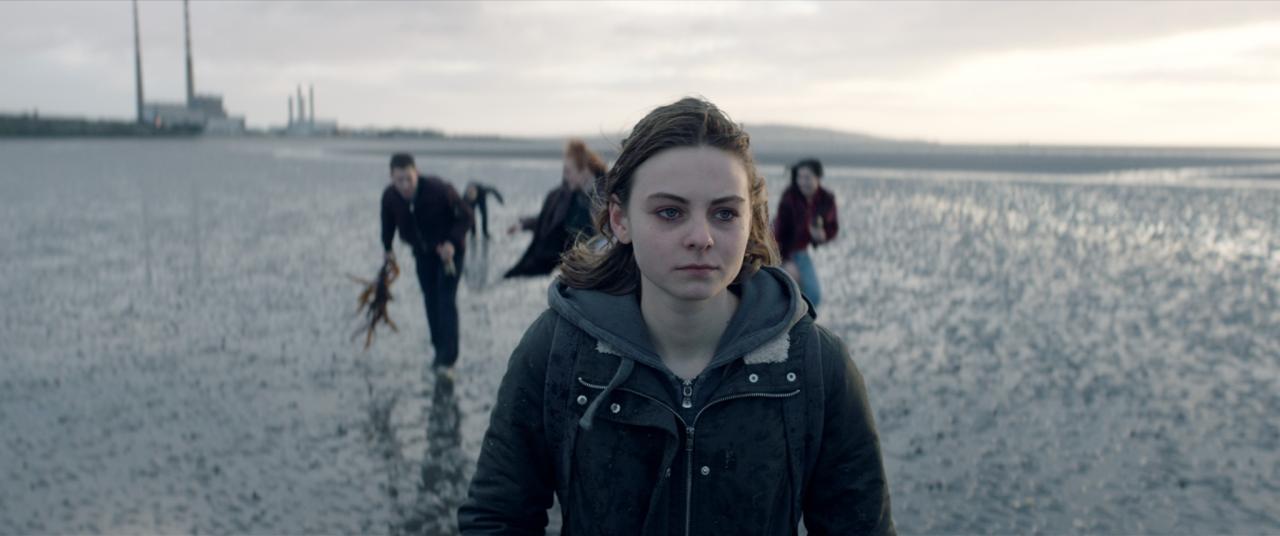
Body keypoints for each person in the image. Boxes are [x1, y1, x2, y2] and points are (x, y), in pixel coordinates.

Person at [459, 98, 893, 534]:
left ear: (750, 221)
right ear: (620, 220)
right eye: (670, 212)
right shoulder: (559, 350)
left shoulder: (814, 365)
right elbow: (497, 519)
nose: (701, 237)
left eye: (724, 213)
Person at [380, 153, 473, 372]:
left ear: (417, 173)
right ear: (391, 178)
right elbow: (387, 224)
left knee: (445, 299)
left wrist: (451, 243)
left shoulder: (439, 189)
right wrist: (388, 249)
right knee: (430, 301)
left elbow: (467, 216)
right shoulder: (390, 197)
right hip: (423, 254)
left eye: (409, 179)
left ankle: (448, 360)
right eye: (399, 180)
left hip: (450, 253)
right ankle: (439, 351)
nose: (405, 185)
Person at [503, 139, 604, 278]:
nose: (566, 176)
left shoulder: (605, 196)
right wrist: (523, 225)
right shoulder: (567, 196)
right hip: (572, 269)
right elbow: (549, 221)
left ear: (584, 170)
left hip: (596, 270)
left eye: (568, 171)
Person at [773, 158, 838, 309]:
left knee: (813, 296)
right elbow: (778, 232)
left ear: (818, 178)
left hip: (800, 251)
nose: (802, 182)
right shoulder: (790, 197)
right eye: (799, 177)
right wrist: (784, 261)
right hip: (778, 250)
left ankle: (800, 320)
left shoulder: (826, 199)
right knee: (784, 293)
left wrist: (822, 236)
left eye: (807, 178)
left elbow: (832, 227)